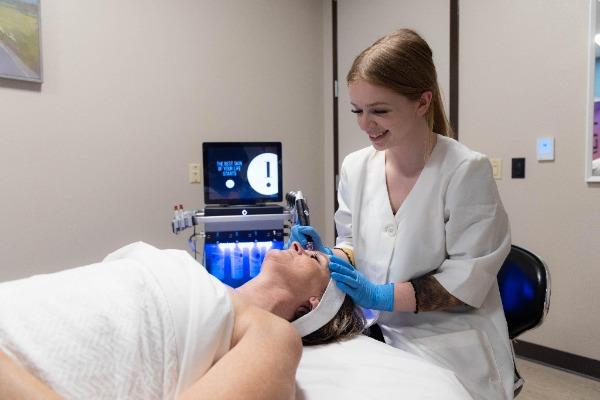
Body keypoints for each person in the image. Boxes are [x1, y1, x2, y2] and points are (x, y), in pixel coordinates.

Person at [290, 28, 514, 400]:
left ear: (422, 102)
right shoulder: (356, 167)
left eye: (379, 110)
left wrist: (380, 294)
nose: (365, 124)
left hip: (447, 339)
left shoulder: (464, 171)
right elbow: (352, 242)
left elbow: (466, 283)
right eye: (357, 111)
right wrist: (333, 256)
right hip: (380, 332)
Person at [0, 241, 364, 400]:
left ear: (312, 305)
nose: (299, 246)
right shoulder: (202, 283)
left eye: (314, 258)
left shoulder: (271, 333)